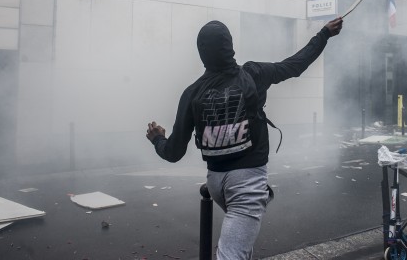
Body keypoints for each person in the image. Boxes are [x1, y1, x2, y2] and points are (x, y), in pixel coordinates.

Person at [146, 16, 343, 259]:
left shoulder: (192, 93)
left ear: (201, 52)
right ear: (230, 46)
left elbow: (173, 153)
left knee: (240, 250)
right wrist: (323, 34)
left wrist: (157, 139)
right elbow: (295, 65)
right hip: (247, 187)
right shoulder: (253, 73)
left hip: (215, 183)